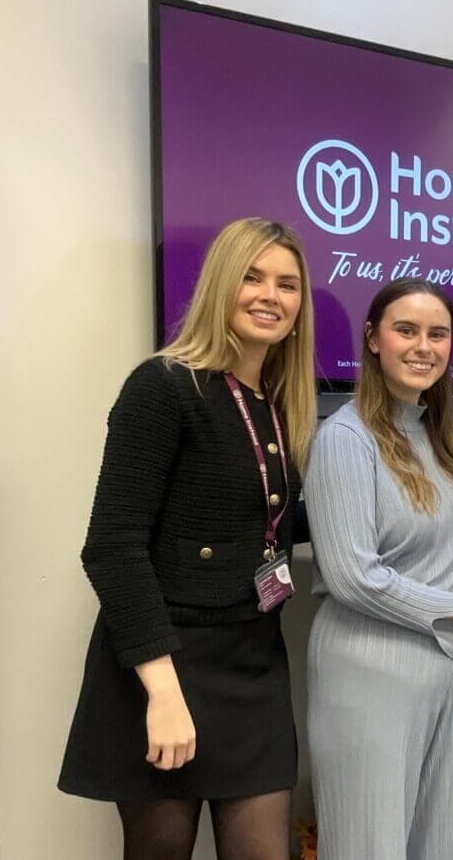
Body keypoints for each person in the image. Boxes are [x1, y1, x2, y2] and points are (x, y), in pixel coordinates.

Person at [59, 217, 317, 860]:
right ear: (221, 284)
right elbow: (112, 548)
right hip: (165, 665)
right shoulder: (163, 385)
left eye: (288, 284)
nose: (271, 295)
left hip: (253, 664)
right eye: (252, 277)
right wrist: (164, 692)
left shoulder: (278, 404)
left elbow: (270, 524)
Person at [304, 278, 453, 860]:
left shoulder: (437, 434)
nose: (423, 346)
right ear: (373, 338)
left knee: (441, 844)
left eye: (438, 333)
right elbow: (354, 575)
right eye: (406, 330)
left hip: (451, 667)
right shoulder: (344, 439)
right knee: (368, 845)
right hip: (371, 672)